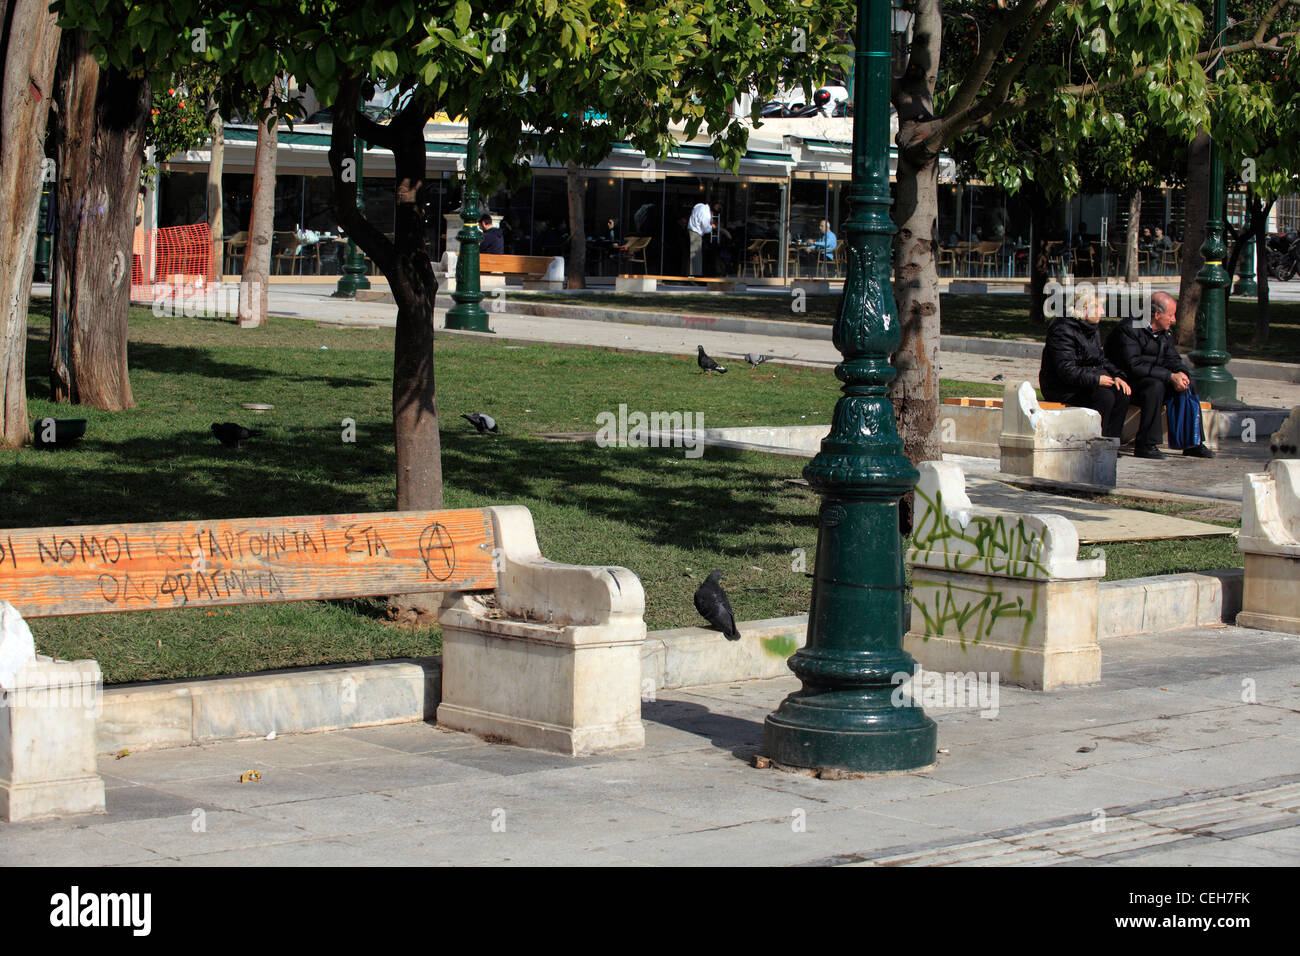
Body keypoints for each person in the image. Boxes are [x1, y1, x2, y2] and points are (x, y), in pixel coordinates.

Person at [1105, 291, 1214, 459]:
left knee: (1187, 384)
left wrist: (1181, 373)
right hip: (1127, 381)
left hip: (1153, 377)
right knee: (1154, 387)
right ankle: (1146, 444)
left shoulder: (1164, 333)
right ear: (1157, 315)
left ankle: (1192, 442)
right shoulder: (1129, 329)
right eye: (1171, 315)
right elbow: (1134, 366)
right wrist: (1169, 376)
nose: (1174, 320)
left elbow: (1173, 359)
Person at [1039, 284, 1131, 440]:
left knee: (1122, 392)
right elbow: (1066, 370)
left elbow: (1099, 358)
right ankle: (1096, 439)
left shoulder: (1091, 326)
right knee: (1105, 396)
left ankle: (1112, 440)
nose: (1102, 311)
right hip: (1061, 386)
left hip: (1085, 381)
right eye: (1099, 307)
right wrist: (1097, 379)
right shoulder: (1063, 329)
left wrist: (1117, 375)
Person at [687, 198, 712, 275]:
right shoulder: (705, 212)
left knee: (692, 256)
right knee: (696, 256)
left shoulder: (699, 206)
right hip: (696, 233)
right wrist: (711, 227)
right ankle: (695, 276)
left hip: (691, 231)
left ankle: (691, 275)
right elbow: (705, 226)